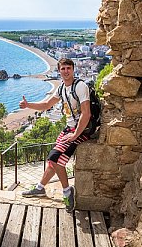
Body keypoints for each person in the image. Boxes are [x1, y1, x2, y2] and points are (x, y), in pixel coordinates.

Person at [19, 58, 91, 213]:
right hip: (69, 128)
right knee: (53, 161)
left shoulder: (80, 86)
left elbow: (86, 114)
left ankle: (67, 192)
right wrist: (28, 105)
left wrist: (75, 135)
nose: (66, 71)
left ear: (73, 69)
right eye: (63, 68)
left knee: (54, 157)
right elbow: (46, 105)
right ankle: (40, 188)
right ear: (59, 71)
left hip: (81, 130)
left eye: (68, 68)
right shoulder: (61, 89)